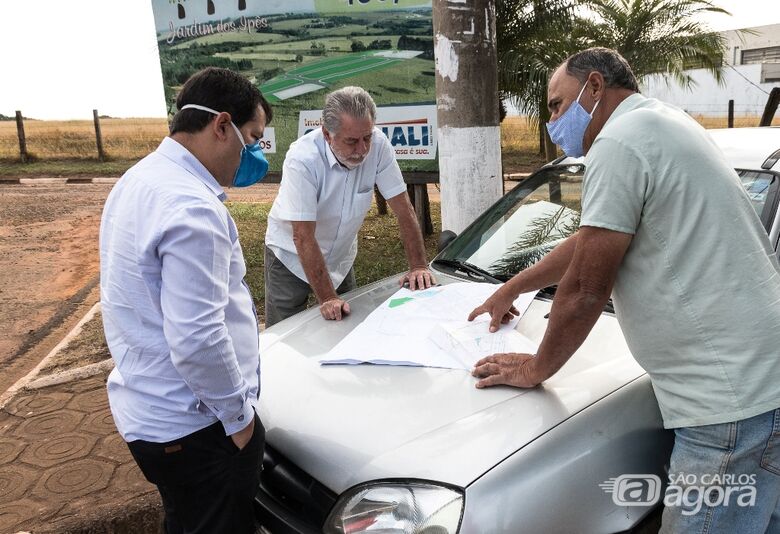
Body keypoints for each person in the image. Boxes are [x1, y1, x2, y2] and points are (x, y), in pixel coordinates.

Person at [469, 48, 780, 532]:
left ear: (594, 87)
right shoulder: (657, 124)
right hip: (757, 385)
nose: (553, 121)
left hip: (728, 405)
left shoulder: (619, 141)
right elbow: (589, 240)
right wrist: (513, 286)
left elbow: (587, 288)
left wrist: (535, 367)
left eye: (556, 105)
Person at [100, 67, 272, 534]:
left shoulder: (139, 179)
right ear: (221, 125)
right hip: (197, 427)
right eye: (252, 138)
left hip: (150, 412)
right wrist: (239, 422)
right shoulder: (192, 206)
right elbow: (198, 337)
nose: (253, 154)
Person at [264, 86, 435, 326]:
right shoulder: (302, 159)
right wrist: (327, 298)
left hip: (341, 257)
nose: (363, 150)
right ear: (326, 134)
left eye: (367, 138)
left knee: (347, 327)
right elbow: (302, 236)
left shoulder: (379, 145)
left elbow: (403, 209)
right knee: (285, 335)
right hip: (290, 257)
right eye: (352, 142)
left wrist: (418, 266)